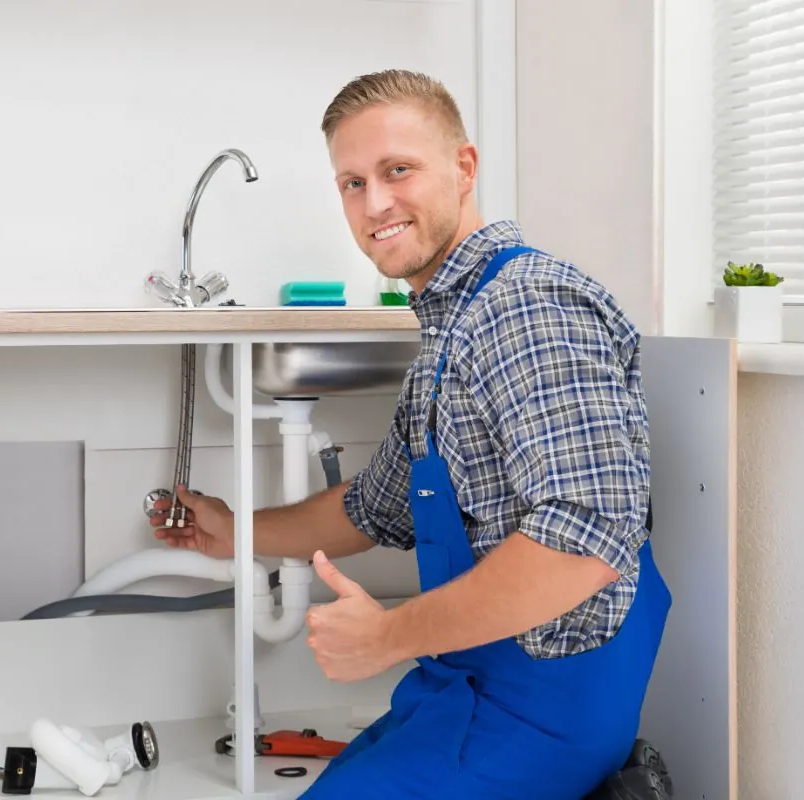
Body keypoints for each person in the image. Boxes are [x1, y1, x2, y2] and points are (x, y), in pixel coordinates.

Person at [150, 69, 672, 799]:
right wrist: (234, 530)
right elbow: (373, 509)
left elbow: (584, 541)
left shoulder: (525, 308)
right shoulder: (449, 332)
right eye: (352, 183)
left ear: (464, 168)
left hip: (542, 719)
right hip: (461, 688)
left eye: (398, 170)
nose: (375, 203)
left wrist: (389, 637)